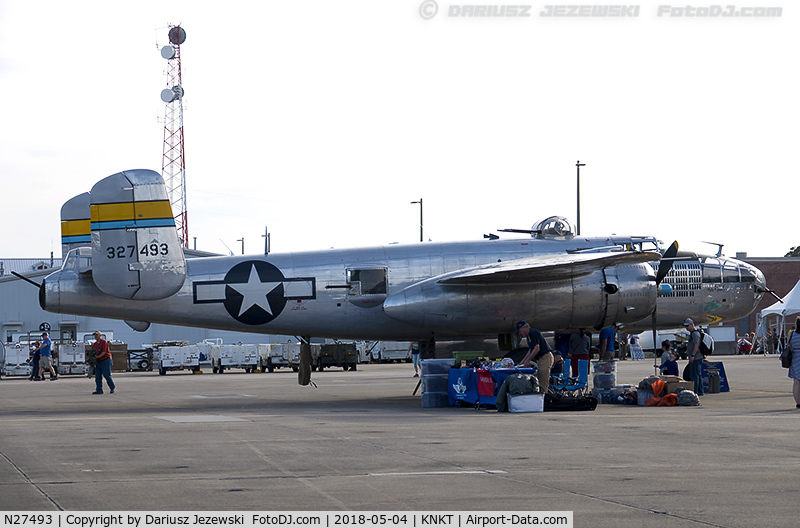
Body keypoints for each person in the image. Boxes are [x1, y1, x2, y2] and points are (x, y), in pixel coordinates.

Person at [514, 320, 553, 394]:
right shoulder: (529, 336)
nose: (520, 333)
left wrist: (528, 360)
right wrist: (522, 362)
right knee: (538, 379)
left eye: (520, 331)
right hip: (540, 359)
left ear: (523, 327)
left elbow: (537, 348)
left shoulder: (532, 332)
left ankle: (544, 399)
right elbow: (530, 350)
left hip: (545, 357)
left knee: (543, 381)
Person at [684, 318, 704, 396]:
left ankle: (696, 391)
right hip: (696, 357)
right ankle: (700, 391)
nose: (686, 328)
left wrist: (692, 355)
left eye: (688, 326)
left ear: (692, 325)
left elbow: (696, 345)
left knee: (694, 375)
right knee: (697, 374)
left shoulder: (695, 334)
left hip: (696, 358)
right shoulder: (693, 333)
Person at [787, 318, 800, 409]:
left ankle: (798, 403)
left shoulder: (792, 334)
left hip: (795, 358)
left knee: (796, 382)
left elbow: (788, 345)